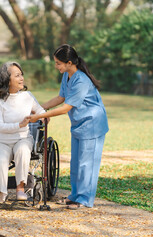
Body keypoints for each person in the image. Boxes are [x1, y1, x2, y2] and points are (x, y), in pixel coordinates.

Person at [29, 44, 109, 209]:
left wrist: (40, 116)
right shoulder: (67, 76)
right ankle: (74, 196)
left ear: (70, 62)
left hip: (92, 124)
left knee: (87, 164)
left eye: (58, 63)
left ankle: (84, 199)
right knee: (76, 162)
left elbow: (66, 108)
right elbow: (60, 97)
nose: (56, 66)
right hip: (79, 124)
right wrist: (39, 107)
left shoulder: (82, 80)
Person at [0, 61, 46, 217]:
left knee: (23, 150)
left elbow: (40, 111)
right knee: (1, 161)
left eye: (21, 74)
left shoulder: (27, 96)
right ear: (7, 79)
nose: (22, 78)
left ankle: (20, 188)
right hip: (1, 141)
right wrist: (20, 124)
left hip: (23, 138)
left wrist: (43, 117)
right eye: (17, 75)